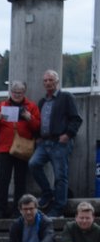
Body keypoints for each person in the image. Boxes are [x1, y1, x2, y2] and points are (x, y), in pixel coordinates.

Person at [29, 69, 84, 217]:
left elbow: (76, 119)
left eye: (50, 80)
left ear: (57, 82)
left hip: (60, 143)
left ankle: (59, 207)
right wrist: (37, 136)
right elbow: (38, 122)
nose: (48, 83)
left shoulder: (66, 97)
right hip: (44, 143)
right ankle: (47, 193)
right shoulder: (42, 102)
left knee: (60, 175)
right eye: (45, 81)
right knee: (33, 164)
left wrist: (68, 134)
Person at [0, 82, 40, 218]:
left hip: (22, 148)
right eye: (15, 92)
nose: (17, 95)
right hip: (4, 148)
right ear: (11, 92)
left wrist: (30, 118)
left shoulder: (31, 107)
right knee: (3, 179)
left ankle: (19, 210)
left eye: (20, 92)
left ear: (24, 92)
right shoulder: (1, 106)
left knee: (20, 180)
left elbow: (38, 127)